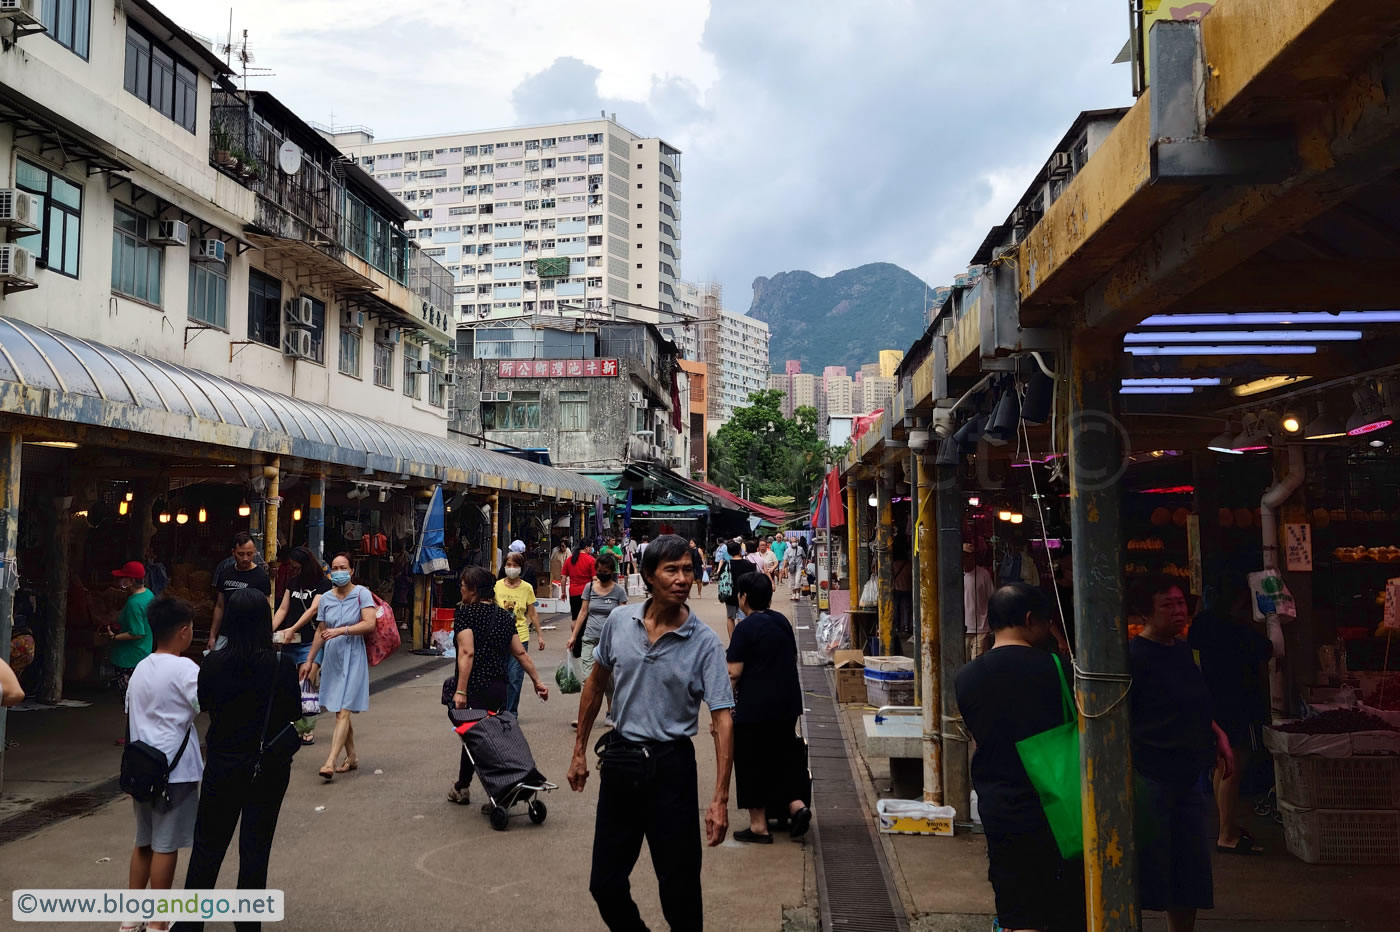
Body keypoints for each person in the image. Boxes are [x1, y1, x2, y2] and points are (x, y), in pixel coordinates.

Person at [568, 534, 735, 931]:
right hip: (621, 762)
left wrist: (720, 798)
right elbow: (594, 685)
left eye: (688, 570)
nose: (681, 579)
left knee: (679, 892)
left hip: (671, 769)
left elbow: (723, 718)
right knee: (605, 884)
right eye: (671, 570)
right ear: (647, 576)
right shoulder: (618, 624)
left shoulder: (705, 644)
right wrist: (578, 750)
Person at [955, 583, 1085, 932]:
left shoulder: (965, 678)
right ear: (1031, 620)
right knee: (1059, 902)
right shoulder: (1057, 669)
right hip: (1055, 803)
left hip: (998, 805)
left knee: (1016, 904)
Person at [179, 589, 298, 932]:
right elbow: (293, 712)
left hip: (223, 761)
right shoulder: (281, 665)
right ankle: (248, 923)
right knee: (255, 848)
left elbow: (204, 703)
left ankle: (190, 923)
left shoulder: (213, 663)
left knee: (208, 846)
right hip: (268, 767)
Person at [1130, 576, 1235, 932]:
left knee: (1188, 872)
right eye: (1168, 605)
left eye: (1181, 604)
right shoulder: (1133, 656)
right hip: (1150, 778)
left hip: (1188, 778)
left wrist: (1216, 732)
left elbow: (1193, 702)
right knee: (1148, 871)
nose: (1179, 612)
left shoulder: (1181, 650)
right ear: (1147, 612)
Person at [123, 598, 202, 932]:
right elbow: (204, 703)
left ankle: (131, 917)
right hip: (175, 769)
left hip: (142, 769)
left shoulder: (142, 666)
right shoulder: (186, 670)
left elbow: (130, 711)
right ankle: (158, 919)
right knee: (166, 846)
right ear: (183, 631)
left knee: (144, 842)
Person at [446, 567, 549, 804]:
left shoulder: (465, 613)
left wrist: (461, 691)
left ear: (473, 590)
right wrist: (538, 682)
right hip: (499, 689)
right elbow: (521, 653)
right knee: (487, 738)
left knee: (475, 739)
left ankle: (469, 787)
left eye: (463, 584)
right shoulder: (503, 616)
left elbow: (467, 652)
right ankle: (482, 785)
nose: (460, 587)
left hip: (475, 688)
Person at [1188, 575, 1274, 855]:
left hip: (1212, 701)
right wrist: (1270, 619)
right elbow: (1270, 650)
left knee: (1222, 765)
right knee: (1232, 765)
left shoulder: (1202, 623)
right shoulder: (1238, 628)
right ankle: (1226, 833)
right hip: (1239, 703)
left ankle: (1228, 827)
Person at [726, 573, 812, 844]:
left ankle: (759, 826)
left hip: (755, 707)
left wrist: (725, 707)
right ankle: (796, 806)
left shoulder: (744, 628)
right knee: (784, 757)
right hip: (787, 704)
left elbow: (733, 673)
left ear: (743, 598)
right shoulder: (781, 621)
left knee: (752, 762)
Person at [299, 554, 375, 782]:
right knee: (339, 709)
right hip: (333, 658)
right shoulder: (325, 599)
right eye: (334, 568)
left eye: (343, 567)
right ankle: (351, 757)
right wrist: (309, 660)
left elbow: (370, 623)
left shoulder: (362, 593)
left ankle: (330, 761)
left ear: (351, 570)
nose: (339, 571)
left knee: (343, 711)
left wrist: (341, 630)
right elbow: (320, 631)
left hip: (354, 656)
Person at [271, 547, 330, 746]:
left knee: (307, 683)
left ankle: (308, 727)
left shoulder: (323, 584)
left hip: (311, 641)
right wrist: (269, 629)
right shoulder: (292, 583)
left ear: (306, 566)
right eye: (291, 567)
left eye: (296, 568)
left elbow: (314, 609)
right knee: (291, 685)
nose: (293, 571)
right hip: (291, 641)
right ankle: (294, 724)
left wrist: (292, 628)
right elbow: (283, 608)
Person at [566, 552, 628, 729]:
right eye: (599, 570)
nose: (602, 574)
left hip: (610, 643)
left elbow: (622, 617)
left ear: (612, 571)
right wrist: (574, 636)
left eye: (605, 571)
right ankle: (584, 716)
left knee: (609, 680)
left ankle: (611, 714)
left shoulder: (618, 591)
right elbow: (583, 612)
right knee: (588, 678)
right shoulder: (589, 588)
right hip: (590, 639)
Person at [495, 551, 544, 716]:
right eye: (508, 565)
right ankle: (500, 710)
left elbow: (532, 613)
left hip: (520, 636)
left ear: (521, 568)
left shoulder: (527, 588)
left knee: (515, 677)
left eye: (515, 565)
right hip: (498, 637)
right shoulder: (497, 586)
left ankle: (511, 713)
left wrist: (540, 635)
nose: (511, 568)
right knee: (500, 676)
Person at [209, 534, 272, 652]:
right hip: (226, 633)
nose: (245, 558)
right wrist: (212, 635)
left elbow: (266, 610)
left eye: (249, 554)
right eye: (241, 554)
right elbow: (220, 606)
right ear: (233, 552)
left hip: (252, 635)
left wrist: (267, 637)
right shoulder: (225, 574)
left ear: (255, 552)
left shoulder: (261, 577)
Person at [106, 561, 154, 705]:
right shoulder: (148, 594)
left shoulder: (135, 603)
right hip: (143, 652)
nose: (120, 580)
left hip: (129, 658)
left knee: (131, 703)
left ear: (131, 581)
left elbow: (138, 632)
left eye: (123, 577)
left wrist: (114, 636)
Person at [562, 541, 597, 654]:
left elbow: (563, 578)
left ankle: (574, 639)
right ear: (587, 547)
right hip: (587, 593)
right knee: (585, 618)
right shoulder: (591, 560)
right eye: (591, 547)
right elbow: (595, 579)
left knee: (575, 618)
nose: (591, 549)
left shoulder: (570, 560)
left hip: (573, 593)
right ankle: (584, 642)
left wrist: (563, 592)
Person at [963, 544, 995, 661]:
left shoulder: (983, 574)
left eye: (967, 556)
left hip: (981, 628)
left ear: (973, 557)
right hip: (962, 628)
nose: (964, 559)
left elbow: (992, 598)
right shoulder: (956, 575)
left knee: (977, 661)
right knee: (963, 661)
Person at [721, 538, 759, 636]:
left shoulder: (726, 564)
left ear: (729, 552)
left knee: (730, 618)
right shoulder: (749, 564)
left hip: (730, 595)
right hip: (744, 595)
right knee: (743, 619)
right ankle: (742, 643)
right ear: (740, 550)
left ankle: (732, 643)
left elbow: (721, 578)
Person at [892, 532, 913, 654]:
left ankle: (897, 626)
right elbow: (911, 577)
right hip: (907, 589)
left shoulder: (893, 564)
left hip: (896, 589)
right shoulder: (908, 564)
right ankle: (905, 627)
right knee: (906, 609)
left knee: (896, 609)